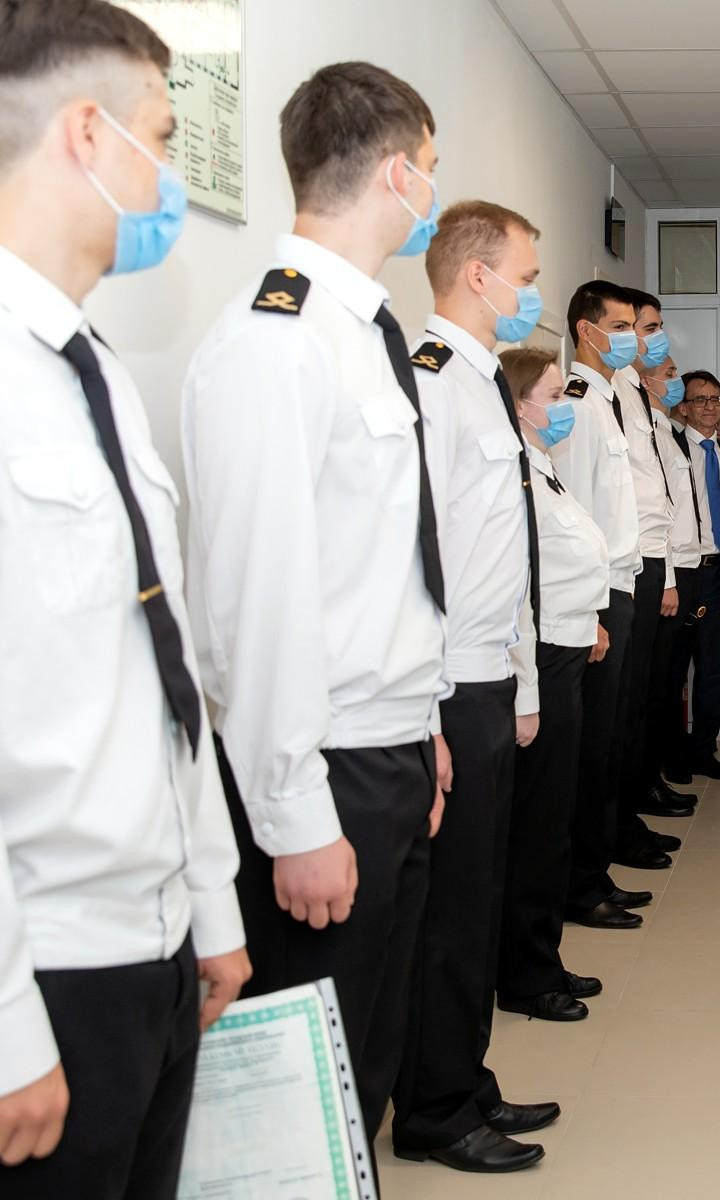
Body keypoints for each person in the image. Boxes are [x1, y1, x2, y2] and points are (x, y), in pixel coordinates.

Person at [0, 5, 250, 1194]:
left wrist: (211, 903)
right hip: (43, 973)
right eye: (160, 135)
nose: (167, 175)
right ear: (88, 133)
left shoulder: (90, 370)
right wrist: (7, 1027)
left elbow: (164, 667)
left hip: (153, 940)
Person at [182, 61, 447, 1150]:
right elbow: (258, 602)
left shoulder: (363, 334)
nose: (431, 189)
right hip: (323, 768)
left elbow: (378, 568)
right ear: (395, 173)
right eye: (430, 167)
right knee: (302, 1102)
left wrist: (424, 726)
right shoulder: (275, 341)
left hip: (388, 747)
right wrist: (294, 818)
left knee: (363, 1068)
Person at [389, 201, 554, 1173]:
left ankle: (466, 1075)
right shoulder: (432, 381)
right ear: (479, 276)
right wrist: (433, 711)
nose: (533, 292)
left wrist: (521, 681)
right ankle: (435, 1109)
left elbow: (505, 556)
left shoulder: (486, 378)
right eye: (525, 276)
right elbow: (424, 560)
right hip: (448, 686)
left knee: (479, 898)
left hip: (490, 677)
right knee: (450, 912)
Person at [496, 347, 611, 1022]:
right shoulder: (514, 474)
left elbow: (569, 563)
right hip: (539, 660)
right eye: (553, 394)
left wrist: (590, 619)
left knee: (554, 820)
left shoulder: (544, 467)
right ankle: (526, 975)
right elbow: (520, 584)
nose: (565, 406)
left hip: (567, 647)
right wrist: (526, 690)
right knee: (538, 827)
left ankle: (542, 956)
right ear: (520, 405)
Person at [552, 280, 663, 933]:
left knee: (610, 742)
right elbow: (573, 514)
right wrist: (592, 605)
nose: (631, 338)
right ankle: (580, 885)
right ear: (586, 330)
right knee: (591, 750)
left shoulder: (609, 398)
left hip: (622, 583)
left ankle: (595, 873)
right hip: (599, 593)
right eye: (619, 326)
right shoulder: (575, 403)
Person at [627, 300, 703, 810]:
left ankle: (652, 776)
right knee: (654, 688)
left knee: (664, 685)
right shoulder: (645, 425)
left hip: (679, 569)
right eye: (671, 375)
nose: (675, 382)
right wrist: (671, 577)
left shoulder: (664, 432)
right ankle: (646, 782)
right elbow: (656, 513)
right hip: (659, 571)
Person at [669, 370, 720, 782]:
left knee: (712, 668)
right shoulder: (670, 448)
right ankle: (673, 753)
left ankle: (703, 750)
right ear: (683, 408)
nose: (710, 406)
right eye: (700, 399)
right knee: (673, 669)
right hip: (682, 574)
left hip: (718, 572)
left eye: (716, 398)